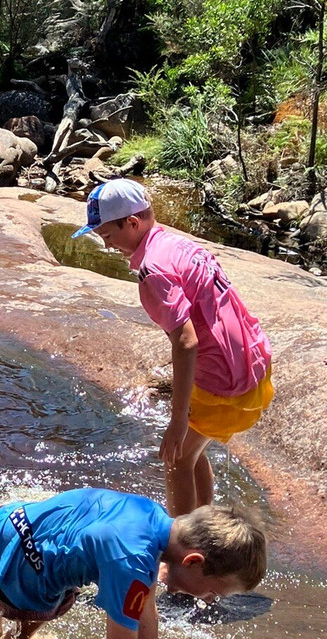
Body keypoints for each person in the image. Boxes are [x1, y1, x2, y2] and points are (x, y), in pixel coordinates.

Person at [73, 179, 275, 516]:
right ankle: (205, 529)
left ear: (132, 223)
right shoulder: (177, 244)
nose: (106, 246)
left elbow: (186, 341)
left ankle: (182, 553)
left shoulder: (155, 267)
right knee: (192, 453)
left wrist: (178, 418)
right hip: (253, 362)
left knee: (177, 455)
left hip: (224, 380)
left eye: (107, 236)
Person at [0, 487, 266, 639]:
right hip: (3, 588)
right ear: (193, 561)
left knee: (54, 545)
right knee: (66, 591)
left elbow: (146, 611)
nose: (210, 598)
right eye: (216, 592)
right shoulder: (132, 562)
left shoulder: (150, 515)